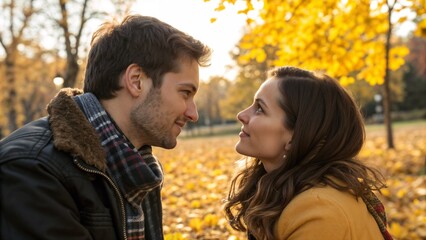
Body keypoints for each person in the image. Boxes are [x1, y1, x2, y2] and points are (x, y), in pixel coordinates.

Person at [0, 15, 211, 240]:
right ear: (136, 80)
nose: (193, 114)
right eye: (185, 93)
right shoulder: (31, 170)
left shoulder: (137, 166)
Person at [224, 66, 393, 240]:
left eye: (260, 108)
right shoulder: (292, 191)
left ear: (297, 135)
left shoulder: (319, 212)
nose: (241, 115)